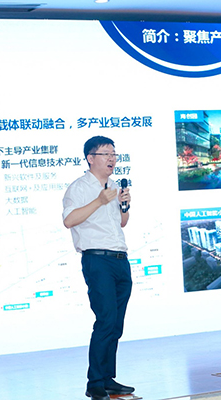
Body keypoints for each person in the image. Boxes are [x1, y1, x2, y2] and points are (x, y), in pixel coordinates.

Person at [62, 136, 135, 400]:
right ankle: (94, 382)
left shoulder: (113, 186)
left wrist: (124, 204)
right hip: (97, 260)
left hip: (120, 259)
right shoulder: (79, 188)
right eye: (106, 154)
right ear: (90, 158)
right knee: (105, 320)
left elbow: (122, 222)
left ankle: (107, 379)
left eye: (114, 154)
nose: (112, 159)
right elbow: (69, 220)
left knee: (116, 324)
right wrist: (100, 201)